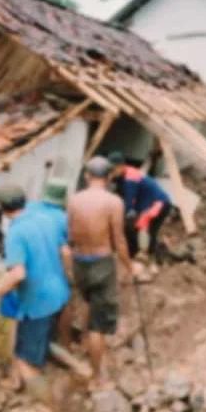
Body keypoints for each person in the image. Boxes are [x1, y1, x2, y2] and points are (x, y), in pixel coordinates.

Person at [0, 180, 71, 408]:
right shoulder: (45, 218)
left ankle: (48, 408)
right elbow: (65, 250)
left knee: (24, 361)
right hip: (59, 293)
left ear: (1, 209)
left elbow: (17, 274)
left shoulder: (15, 234)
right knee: (40, 341)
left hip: (37, 303)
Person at [64, 156, 135, 389]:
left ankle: (87, 352)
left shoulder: (73, 200)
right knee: (98, 324)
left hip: (79, 261)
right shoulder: (114, 202)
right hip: (101, 263)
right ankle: (97, 377)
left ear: (87, 176)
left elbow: (70, 235)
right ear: (109, 177)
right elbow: (119, 240)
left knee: (86, 305)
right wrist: (129, 266)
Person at [107, 151, 173, 270]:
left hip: (159, 203)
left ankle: (149, 260)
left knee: (146, 228)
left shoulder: (130, 179)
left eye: (113, 170)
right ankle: (137, 253)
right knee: (137, 227)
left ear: (121, 166)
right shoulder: (122, 176)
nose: (111, 173)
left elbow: (127, 204)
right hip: (148, 204)